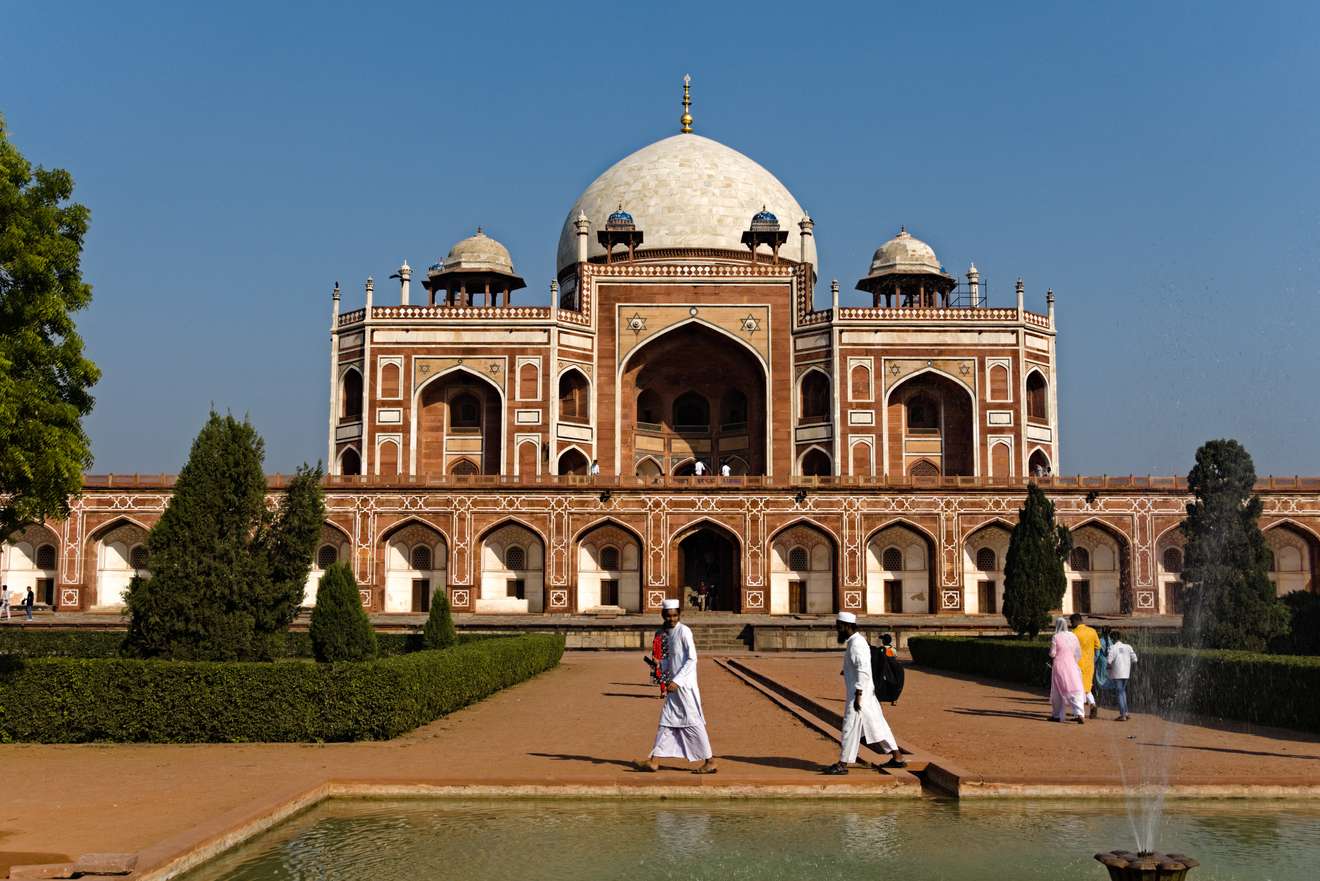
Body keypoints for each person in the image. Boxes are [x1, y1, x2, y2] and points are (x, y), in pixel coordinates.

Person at [639, 598, 718, 774]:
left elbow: (692, 659)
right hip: (674, 685)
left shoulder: (684, 632)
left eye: (675, 616)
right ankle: (654, 760)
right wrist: (661, 664)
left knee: (693, 721)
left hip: (684, 686)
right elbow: (673, 659)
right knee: (666, 721)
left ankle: (710, 760)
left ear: (679, 615)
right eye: (668, 616)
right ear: (663, 615)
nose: (672, 619)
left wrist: (677, 681)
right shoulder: (666, 633)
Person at [824, 612, 904, 774]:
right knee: (877, 725)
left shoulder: (857, 644)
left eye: (839, 627)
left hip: (859, 695)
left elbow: (863, 670)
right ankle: (897, 757)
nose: (837, 630)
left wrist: (859, 695)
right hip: (864, 693)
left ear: (847, 626)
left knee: (849, 727)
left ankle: (842, 764)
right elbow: (858, 666)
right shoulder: (856, 641)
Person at [1049, 616, 1086, 724]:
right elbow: (1078, 652)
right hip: (1072, 665)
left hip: (1059, 665)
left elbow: (1052, 653)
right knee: (1075, 688)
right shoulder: (1073, 636)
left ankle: (1057, 715)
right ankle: (1080, 713)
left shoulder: (1056, 637)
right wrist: (1073, 661)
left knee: (1058, 690)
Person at [1071, 612, 1102, 719]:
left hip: (1077, 664)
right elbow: (1098, 647)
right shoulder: (1092, 631)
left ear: (1075, 621)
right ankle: (1092, 704)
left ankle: (1078, 713)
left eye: (1071, 622)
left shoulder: (1073, 633)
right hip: (1089, 664)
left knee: (1076, 689)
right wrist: (1094, 659)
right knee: (1087, 686)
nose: (1071, 624)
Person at [1106, 629, 1139, 721]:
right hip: (1126, 673)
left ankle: (1123, 714)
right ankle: (1126, 712)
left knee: (1119, 693)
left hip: (1117, 673)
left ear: (1112, 639)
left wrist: (1108, 670)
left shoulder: (1112, 648)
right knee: (1123, 692)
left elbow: (1109, 661)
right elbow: (1135, 659)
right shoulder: (1128, 647)